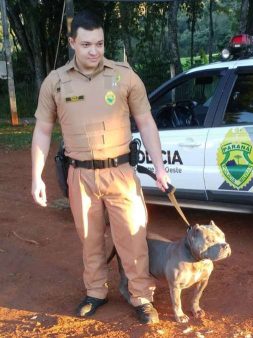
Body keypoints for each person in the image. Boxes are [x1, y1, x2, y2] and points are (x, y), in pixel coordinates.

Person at [31, 10, 170, 324]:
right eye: (86, 44)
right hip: (79, 175)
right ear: (72, 43)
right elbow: (41, 130)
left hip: (120, 173)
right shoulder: (55, 83)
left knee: (133, 237)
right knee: (90, 238)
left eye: (99, 44)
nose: (94, 51)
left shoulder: (124, 76)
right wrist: (36, 175)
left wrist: (160, 167)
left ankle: (141, 296)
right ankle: (95, 291)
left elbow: (146, 122)